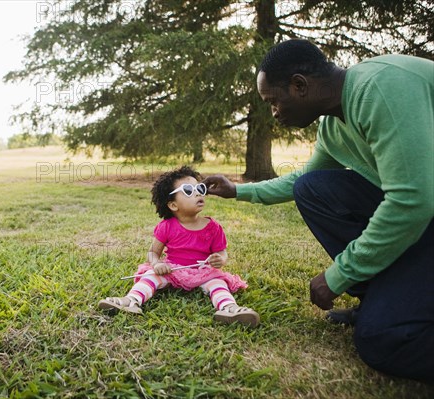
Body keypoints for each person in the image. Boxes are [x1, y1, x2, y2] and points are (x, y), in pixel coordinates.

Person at [204, 39, 433, 381]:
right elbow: (302, 180)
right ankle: (379, 297)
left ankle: (395, 310)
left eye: (273, 102)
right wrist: (238, 191)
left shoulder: (380, 89)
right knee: (311, 189)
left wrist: (341, 274)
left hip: (424, 211)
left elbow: (412, 202)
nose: (274, 112)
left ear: (299, 86)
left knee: (382, 340)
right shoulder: (333, 126)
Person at [99, 165, 260, 327]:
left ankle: (229, 308)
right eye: (189, 190)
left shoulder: (213, 227)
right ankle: (131, 301)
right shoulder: (167, 226)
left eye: (200, 188)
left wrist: (220, 259)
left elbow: (221, 252)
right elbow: (153, 252)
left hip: (203, 271)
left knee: (218, 284)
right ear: (173, 205)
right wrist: (157, 264)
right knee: (149, 277)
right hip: (172, 270)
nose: (197, 192)